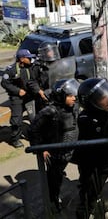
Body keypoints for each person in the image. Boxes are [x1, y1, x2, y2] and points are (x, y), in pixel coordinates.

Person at [73, 78, 108, 218]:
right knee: (90, 193)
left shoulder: (107, 108)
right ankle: (83, 213)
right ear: (91, 102)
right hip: (92, 163)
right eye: (102, 98)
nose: (107, 100)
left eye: (107, 96)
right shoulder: (85, 118)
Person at [29, 78, 80, 212]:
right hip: (56, 153)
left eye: (74, 95)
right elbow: (33, 129)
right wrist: (42, 149)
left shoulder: (74, 107)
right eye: (70, 96)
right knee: (54, 179)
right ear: (61, 96)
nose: (74, 98)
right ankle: (53, 201)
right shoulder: (50, 111)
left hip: (73, 147)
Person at [1, 49, 47, 148]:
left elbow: (35, 80)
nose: (30, 59)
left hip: (29, 97)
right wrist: (17, 91)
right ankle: (15, 139)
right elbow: (4, 83)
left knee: (34, 118)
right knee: (16, 120)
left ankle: (36, 137)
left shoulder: (32, 67)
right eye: (28, 57)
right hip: (17, 98)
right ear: (22, 59)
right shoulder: (11, 70)